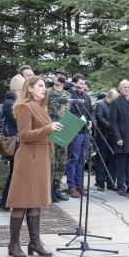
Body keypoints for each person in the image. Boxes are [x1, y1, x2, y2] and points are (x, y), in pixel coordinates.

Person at [6, 76, 63, 257]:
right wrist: (49, 129)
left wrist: (59, 131)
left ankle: (34, 243)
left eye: (44, 86)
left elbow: (45, 132)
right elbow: (24, 135)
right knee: (22, 202)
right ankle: (13, 244)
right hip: (28, 158)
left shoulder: (40, 107)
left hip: (41, 157)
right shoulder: (24, 106)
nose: (44, 89)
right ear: (30, 88)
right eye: (40, 86)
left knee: (35, 200)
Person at [0, 74, 24, 212]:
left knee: (15, 173)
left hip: (19, 142)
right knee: (14, 173)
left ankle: (7, 202)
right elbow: (18, 121)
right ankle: (5, 203)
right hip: (15, 143)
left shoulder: (16, 101)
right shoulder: (10, 103)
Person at [66, 74, 93, 198]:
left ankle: (79, 185)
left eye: (84, 83)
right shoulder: (69, 95)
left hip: (86, 132)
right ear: (74, 83)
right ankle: (71, 186)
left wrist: (91, 122)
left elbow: (91, 112)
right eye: (80, 83)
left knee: (82, 160)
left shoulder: (87, 97)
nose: (83, 86)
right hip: (75, 131)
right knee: (74, 159)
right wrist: (80, 120)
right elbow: (68, 112)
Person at [47, 69, 71, 203]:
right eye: (56, 76)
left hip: (63, 132)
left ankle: (56, 188)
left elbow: (68, 113)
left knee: (62, 161)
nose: (58, 78)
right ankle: (49, 190)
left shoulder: (67, 94)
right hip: (50, 131)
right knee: (51, 160)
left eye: (61, 76)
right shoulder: (48, 92)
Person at [95, 89, 119, 191]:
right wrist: (113, 127)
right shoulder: (100, 104)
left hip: (114, 136)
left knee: (113, 160)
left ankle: (111, 183)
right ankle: (100, 182)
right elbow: (100, 118)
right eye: (114, 98)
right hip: (103, 135)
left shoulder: (115, 104)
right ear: (108, 97)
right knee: (102, 159)